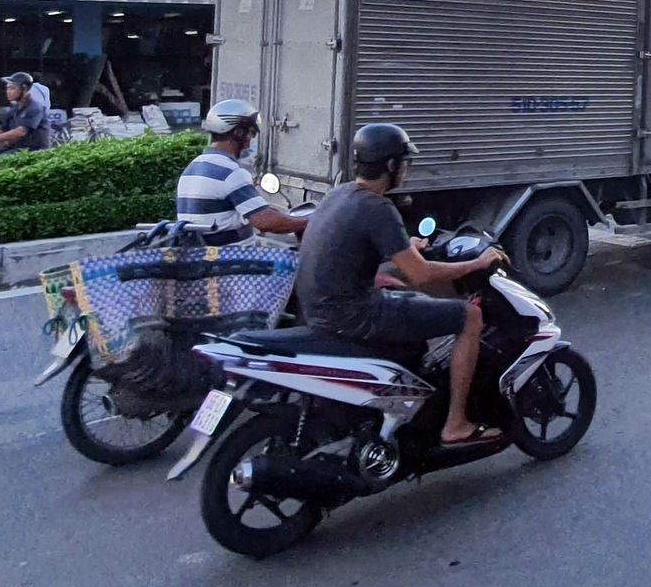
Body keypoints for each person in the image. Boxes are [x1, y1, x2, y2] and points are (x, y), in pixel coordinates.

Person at [289, 123, 506, 445]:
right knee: (468, 317)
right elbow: (421, 275)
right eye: (405, 163)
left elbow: (348, 249)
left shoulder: (340, 194)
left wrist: (406, 249)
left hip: (320, 311)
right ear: (391, 166)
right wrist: (476, 263)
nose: (407, 170)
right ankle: (456, 423)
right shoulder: (378, 208)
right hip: (355, 315)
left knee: (403, 291)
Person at [172, 99, 309, 241]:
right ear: (238, 133)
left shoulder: (193, 167)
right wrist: (308, 222)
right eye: (250, 134)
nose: (249, 143)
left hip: (201, 250)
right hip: (231, 252)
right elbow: (264, 221)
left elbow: (256, 211)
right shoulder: (230, 171)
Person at [0, 72, 55, 155]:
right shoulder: (16, 107)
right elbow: (1, 129)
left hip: (33, 151)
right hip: (17, 148)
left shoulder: (35, 107)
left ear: (24, 89)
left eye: (12, 88)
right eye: (7, 88)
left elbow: (20, 132)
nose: (8, 91)